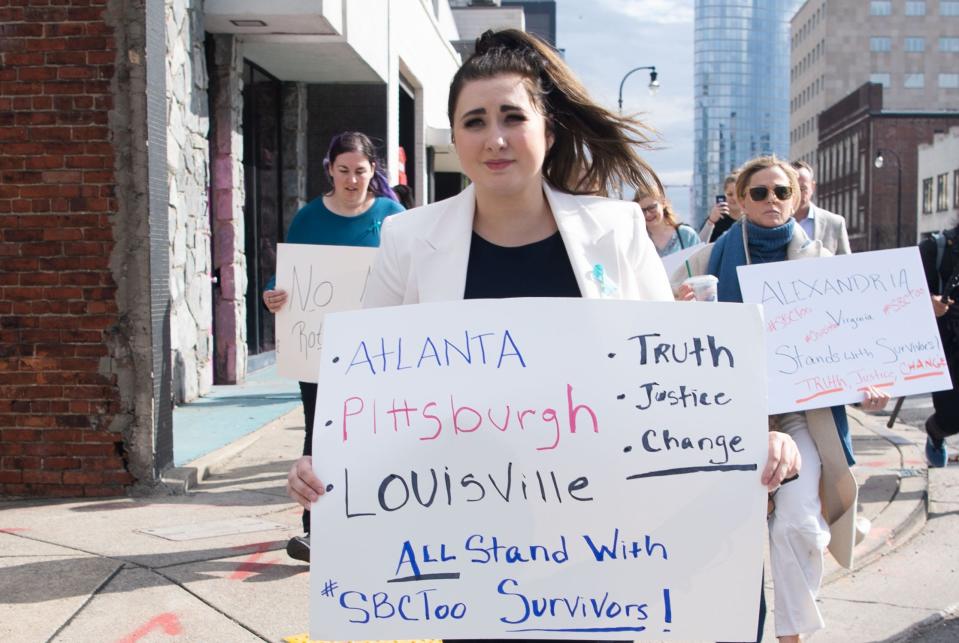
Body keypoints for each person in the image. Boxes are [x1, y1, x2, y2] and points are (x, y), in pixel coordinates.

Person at [286, 29, 802, 642]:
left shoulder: (613, 229)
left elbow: (673, 382)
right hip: (466, 542)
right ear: (455, 138)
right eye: (474, 121)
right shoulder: (408, 240)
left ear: (547, 130)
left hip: (602, 537)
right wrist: (324, 464)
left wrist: (756, 442)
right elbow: (368, 398)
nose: (495, 137)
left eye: (512, 116)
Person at [673, 155, 889, 643]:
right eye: (759, 192)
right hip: (727, 412)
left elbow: (856, 339)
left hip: (799, 413)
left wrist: (870, 385)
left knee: (798, 523)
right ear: (739, 200)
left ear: (797, 197)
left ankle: (791, 635)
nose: (772, 200)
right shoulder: (706, 261)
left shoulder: (824, 266)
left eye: (781, 191)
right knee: (729, 531)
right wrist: (678, 311)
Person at [262, 131, 405, 562]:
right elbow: (287, 278)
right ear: (330, 170)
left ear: (373, 171)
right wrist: (273, 292)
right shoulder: (308, 217)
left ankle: (380, 522)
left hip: (378, 355)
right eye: (343, 170)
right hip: (318, 352)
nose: (351, 179)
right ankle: (317, 532)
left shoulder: (392, 216)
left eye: (360, 171)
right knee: (320, 439)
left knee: (378, 436)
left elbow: (413, 271)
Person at [919, 223, 959, 466]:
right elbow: (901, 298)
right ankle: (935, 431)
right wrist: (928, 303)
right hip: (948, 350)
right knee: (951, 418)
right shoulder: (935, 248)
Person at [791, 160, 851, 255]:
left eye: (803, 188)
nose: (798, 194)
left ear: (813, 187)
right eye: (793, 189)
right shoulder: (775, 223)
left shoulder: (835, 223)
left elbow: (847, 264)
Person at [634, 187, 702, 257]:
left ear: (663, 203)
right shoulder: (636, 240)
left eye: (652, 207)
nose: (647, 214)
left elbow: (700, 264)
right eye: (642, 210)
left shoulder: (687, 235)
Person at [699, 171, 743, 243]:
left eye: (738, 194)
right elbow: (699, 245)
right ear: (724, 194)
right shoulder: (715, 220)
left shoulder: (751, 220)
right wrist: (711, 221)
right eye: (730, 194)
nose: (734, 198)